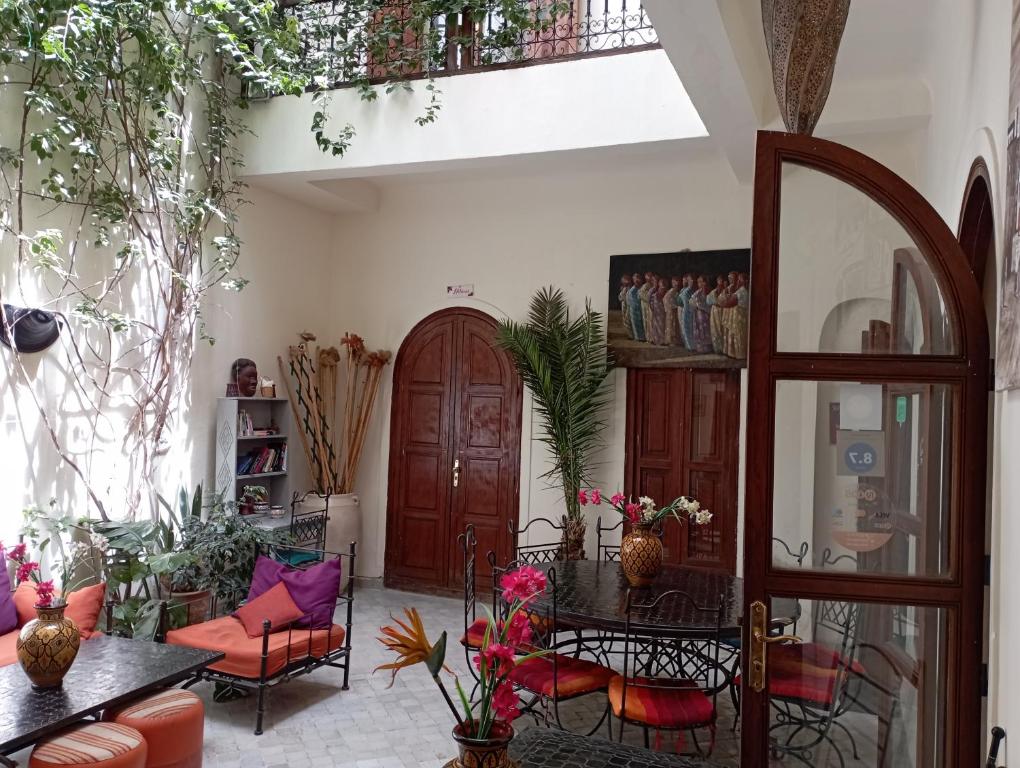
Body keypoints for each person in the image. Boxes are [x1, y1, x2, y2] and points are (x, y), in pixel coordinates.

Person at [724, 272, 750, 359]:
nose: (738, 281)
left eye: (740, 279)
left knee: (739, 335)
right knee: (741, 334)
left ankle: (740, 355)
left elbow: (729, 303)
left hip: (739, 315)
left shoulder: (741, 291)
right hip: (743, 315)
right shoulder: (744, 290)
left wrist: (730, 293)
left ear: (745, 280)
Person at [691, 276, 714, 353]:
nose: (699, 284)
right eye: (698, 282)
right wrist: (696, 304)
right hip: (699, 314)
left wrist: (700, 305)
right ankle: (701, 348)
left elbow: (710, 302)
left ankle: (709, 347)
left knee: (707, 330)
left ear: (705, 282)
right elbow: (691, 301)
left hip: (707, 314)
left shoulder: (710, 291)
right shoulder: (697, 292)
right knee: (700, 330)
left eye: (701, 282)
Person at [708, 275, 728, 354]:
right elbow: (708, 300)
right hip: (715, 312)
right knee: (715, 329)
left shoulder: (727, 290)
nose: (721, 282)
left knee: (722, 329)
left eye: (722, 281)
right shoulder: (714, 291)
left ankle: (724, 348)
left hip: (723, 311)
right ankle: (717, 348)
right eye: (719, 281)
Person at [678, 274, 695, 351]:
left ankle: (693, 346)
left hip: (693, 312)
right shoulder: (686, 290)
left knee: (693, 328)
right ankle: (689, 346)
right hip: (687, 311)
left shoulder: (693, 290)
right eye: (689, 280)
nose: (691, 282)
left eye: (692, 280)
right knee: (687, 328)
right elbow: (679, 301)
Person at [648, 276, 667, 345]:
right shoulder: (652, 290)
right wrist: (651, 307)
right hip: (654, 310)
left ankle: (661, 340)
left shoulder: (664, 290)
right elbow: (649, 299)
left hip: (661, 310)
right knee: (655, 325)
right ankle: (654, 339)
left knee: (661, 325)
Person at [663, 276, 681, 346]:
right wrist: (675, 306)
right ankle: (671, 341)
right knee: (671, 326)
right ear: (673, 284)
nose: (677, 286)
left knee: (675, 326)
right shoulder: (671, 292)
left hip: (674, 311)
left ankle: (676, 341)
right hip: (671, 311)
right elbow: (666, 300)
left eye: (678, 285)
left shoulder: (677, 291)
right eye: (675, 284)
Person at [627, 272, 646, 342]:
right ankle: (638, 337)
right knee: (636, 323)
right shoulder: (632, 290)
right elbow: (631, 301)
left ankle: (643, 337)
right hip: (634, 309)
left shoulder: (642, 288)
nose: (637, 281)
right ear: (633, 280)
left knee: (642, 323)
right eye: (636, 280)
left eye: (639, 279)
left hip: (641, 309)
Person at [639, 272, 655, 344]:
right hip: (645, 306)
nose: (651, 278)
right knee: (646, 321)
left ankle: (652, 338)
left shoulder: (653, 285)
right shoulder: (645, 286)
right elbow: (641, 295)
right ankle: (648, 338)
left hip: (651, 306)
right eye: (649, 277)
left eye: (651, 277)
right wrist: (649, 298)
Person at [618, 274, 634, 339]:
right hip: (624, 305)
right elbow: (620, 298)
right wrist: (622, 295)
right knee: (625, 319)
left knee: (628, 320)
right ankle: (630, 334)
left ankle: (631, 335)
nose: (626, 283)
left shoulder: (631, 289)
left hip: (629, 306)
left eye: (627, 282)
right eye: (624, 282)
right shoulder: (624, 289)